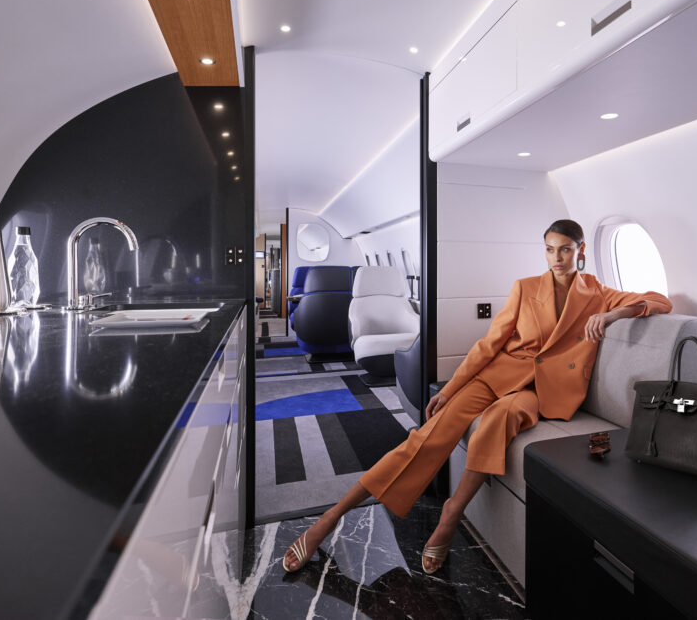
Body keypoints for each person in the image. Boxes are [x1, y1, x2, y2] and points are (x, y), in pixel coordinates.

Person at [283, 219, 672, 574]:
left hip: (543, 392)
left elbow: (659, 300)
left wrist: (610, 316)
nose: (557, 258)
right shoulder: (525, 287)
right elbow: (489, 345)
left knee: (501, 419)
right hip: (495, 376)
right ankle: (329, 519)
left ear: (582, 251)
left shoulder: (599, 294)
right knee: (424, 440)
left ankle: (451, 514)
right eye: (551, 249)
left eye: (566, 249)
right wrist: (451, 388)